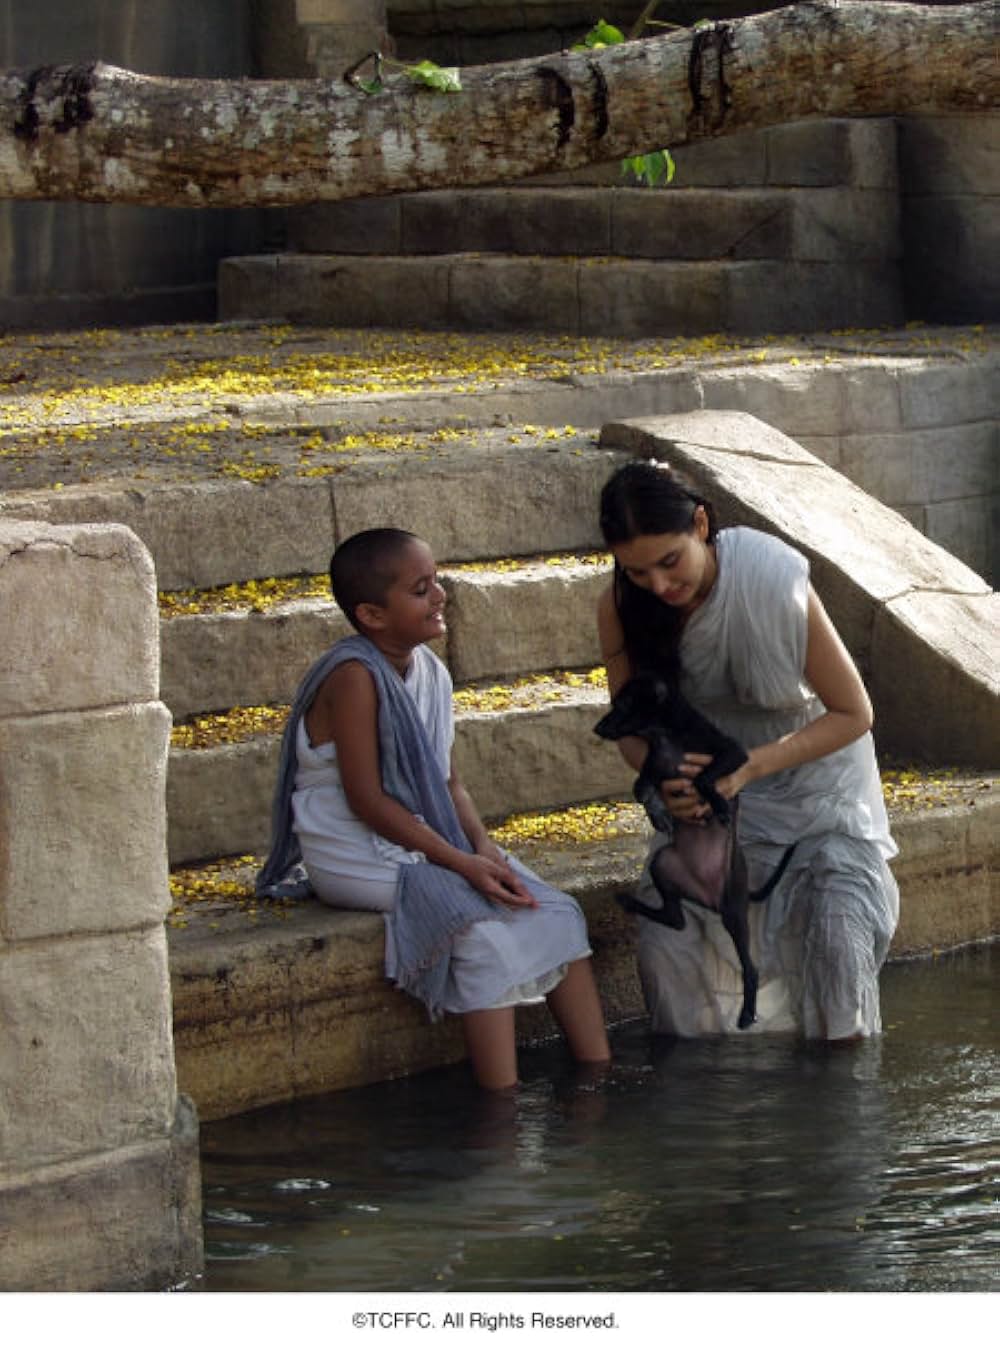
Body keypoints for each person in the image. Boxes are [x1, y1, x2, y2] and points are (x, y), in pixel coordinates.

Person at [257, 527, 611, 1090]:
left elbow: (449, 782)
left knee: (557, 912)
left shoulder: (431, 673)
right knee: (479, 937)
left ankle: (599, 1081)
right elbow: (367, 801)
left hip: (427, 836)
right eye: (421, 589)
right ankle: (502, 1111)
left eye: (437, 581)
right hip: (354, 852)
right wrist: (460, 864)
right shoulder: (353, 677)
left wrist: (483, 847)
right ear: (372, 615)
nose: (441, 595)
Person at [596, 459, 899, 1042]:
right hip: (715, 810)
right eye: (637, 573)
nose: (658, 586)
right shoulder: (618, 606)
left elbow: (855, 714)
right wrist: (666, 784)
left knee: (838, 942)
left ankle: (840, 1102)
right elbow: (631, 729)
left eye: (669, 562)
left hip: (816, 793)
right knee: (666, 947)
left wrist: (752, 767)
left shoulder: (770, 576)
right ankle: (700, 1103)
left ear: (701, 525)